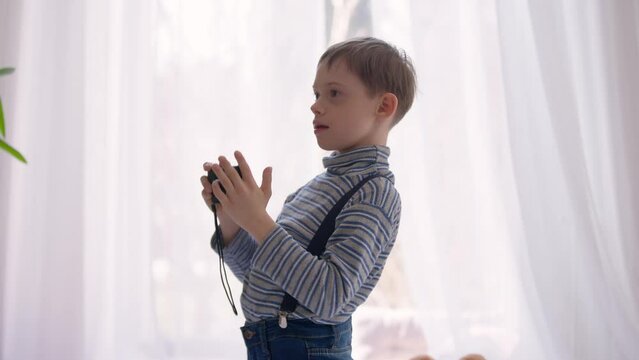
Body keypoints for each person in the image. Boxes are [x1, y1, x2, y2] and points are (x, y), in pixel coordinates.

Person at [199, 37, 416, 359]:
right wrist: (234, 222)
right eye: (316, 94)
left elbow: (330, 296)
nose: (315, 105)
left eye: (334, 93)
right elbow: (270, 279)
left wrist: (258, 222)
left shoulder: (375, 195)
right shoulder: (312, 190)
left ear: (383, 106)